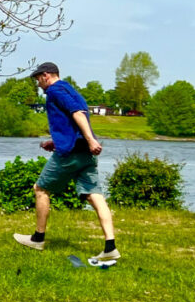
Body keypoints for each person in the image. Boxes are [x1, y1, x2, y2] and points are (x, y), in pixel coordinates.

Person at [13, 62, 120, 265]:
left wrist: (90, 140)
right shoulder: (70, 89)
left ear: (46, 75)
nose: (38, 85)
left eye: (38, 80)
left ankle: (37, 239)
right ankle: (110, 246)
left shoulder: (54, 90)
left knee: (41, 189)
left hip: (71, 152)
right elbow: (74, 120)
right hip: (84, 152)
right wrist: (55, 141)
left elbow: (77, 114)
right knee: (94, 194)